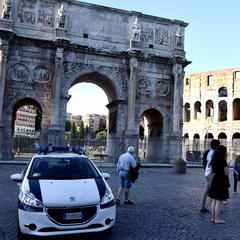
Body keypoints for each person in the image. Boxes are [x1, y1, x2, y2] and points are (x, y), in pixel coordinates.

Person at [208, 145, 229, 224]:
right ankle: (217, 219)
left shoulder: (213, 160)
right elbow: (226, 173)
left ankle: (213, 218)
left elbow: (211, 170)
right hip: (221, 181)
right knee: (218, 201)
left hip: (214, 181)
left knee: (213, 200)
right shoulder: (223, 161)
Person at [200, 139, 220, 213]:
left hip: (207, 174)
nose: (219, 147)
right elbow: (211, 164)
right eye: (218, 145)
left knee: (205, 191)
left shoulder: (207, 152)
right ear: (215, 146)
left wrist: (206, 171)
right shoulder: (213, 153)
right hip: (212, 175)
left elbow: (204, 163)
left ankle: (202, 207)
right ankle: (213, 208)